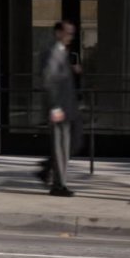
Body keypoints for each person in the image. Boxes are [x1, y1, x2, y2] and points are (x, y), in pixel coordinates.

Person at [37, 20, 81, 197]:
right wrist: (54, 107)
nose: (70, 36)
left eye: (72, 33)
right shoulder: (53, 52)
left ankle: (57, 181)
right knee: (59, 147)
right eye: (68, 33)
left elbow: (60, 78)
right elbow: (48, 81)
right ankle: (58, 185)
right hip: (58, 109)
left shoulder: (62, 52)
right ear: (58, 33)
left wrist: (73, 70)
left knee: (65, 146)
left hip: (66, 107)